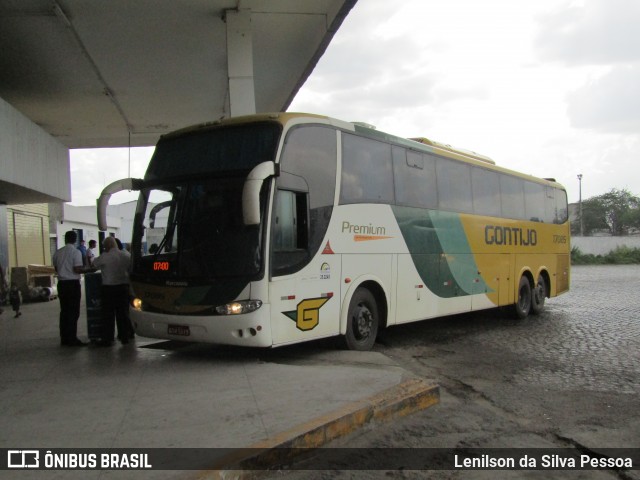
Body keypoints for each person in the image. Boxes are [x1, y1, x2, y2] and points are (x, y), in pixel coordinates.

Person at [92, 236, 133, 345]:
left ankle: (108, 338)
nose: (104, 248)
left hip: (108, 289)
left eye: (105, 246)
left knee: (108, 315)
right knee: (123, 313)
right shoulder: (126, 255)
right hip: (123, 288)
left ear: (108, 246)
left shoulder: (105, 256)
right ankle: (124, 336)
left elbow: (93, 265)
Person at [53, 231, 88, 346]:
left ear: (65, 239)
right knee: (73, 312)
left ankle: (64, 338)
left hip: (62, 284)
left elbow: (56, 268)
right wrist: (87, 270)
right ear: (75, 239)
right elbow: (77, 269)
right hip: (72, 284)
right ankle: (72, 338)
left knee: (64, 312)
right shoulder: (76, 252)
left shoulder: (58, 252)